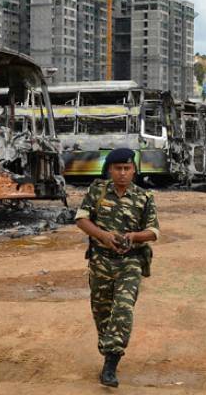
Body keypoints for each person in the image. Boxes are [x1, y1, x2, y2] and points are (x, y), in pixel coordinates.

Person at [75, 148, 159, 388]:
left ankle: (111, 362)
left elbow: (154, 232)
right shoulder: (97, 191)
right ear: (110, 170)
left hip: (130, 262)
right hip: (100, 261)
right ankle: (107, 346)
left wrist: (133, 236)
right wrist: (103, 236)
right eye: (117, 169)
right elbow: (81, 219)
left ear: (133, 170)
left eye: (127, 169)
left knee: (123, 308)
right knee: (101, 311)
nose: (122, 173)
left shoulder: (144, 197)